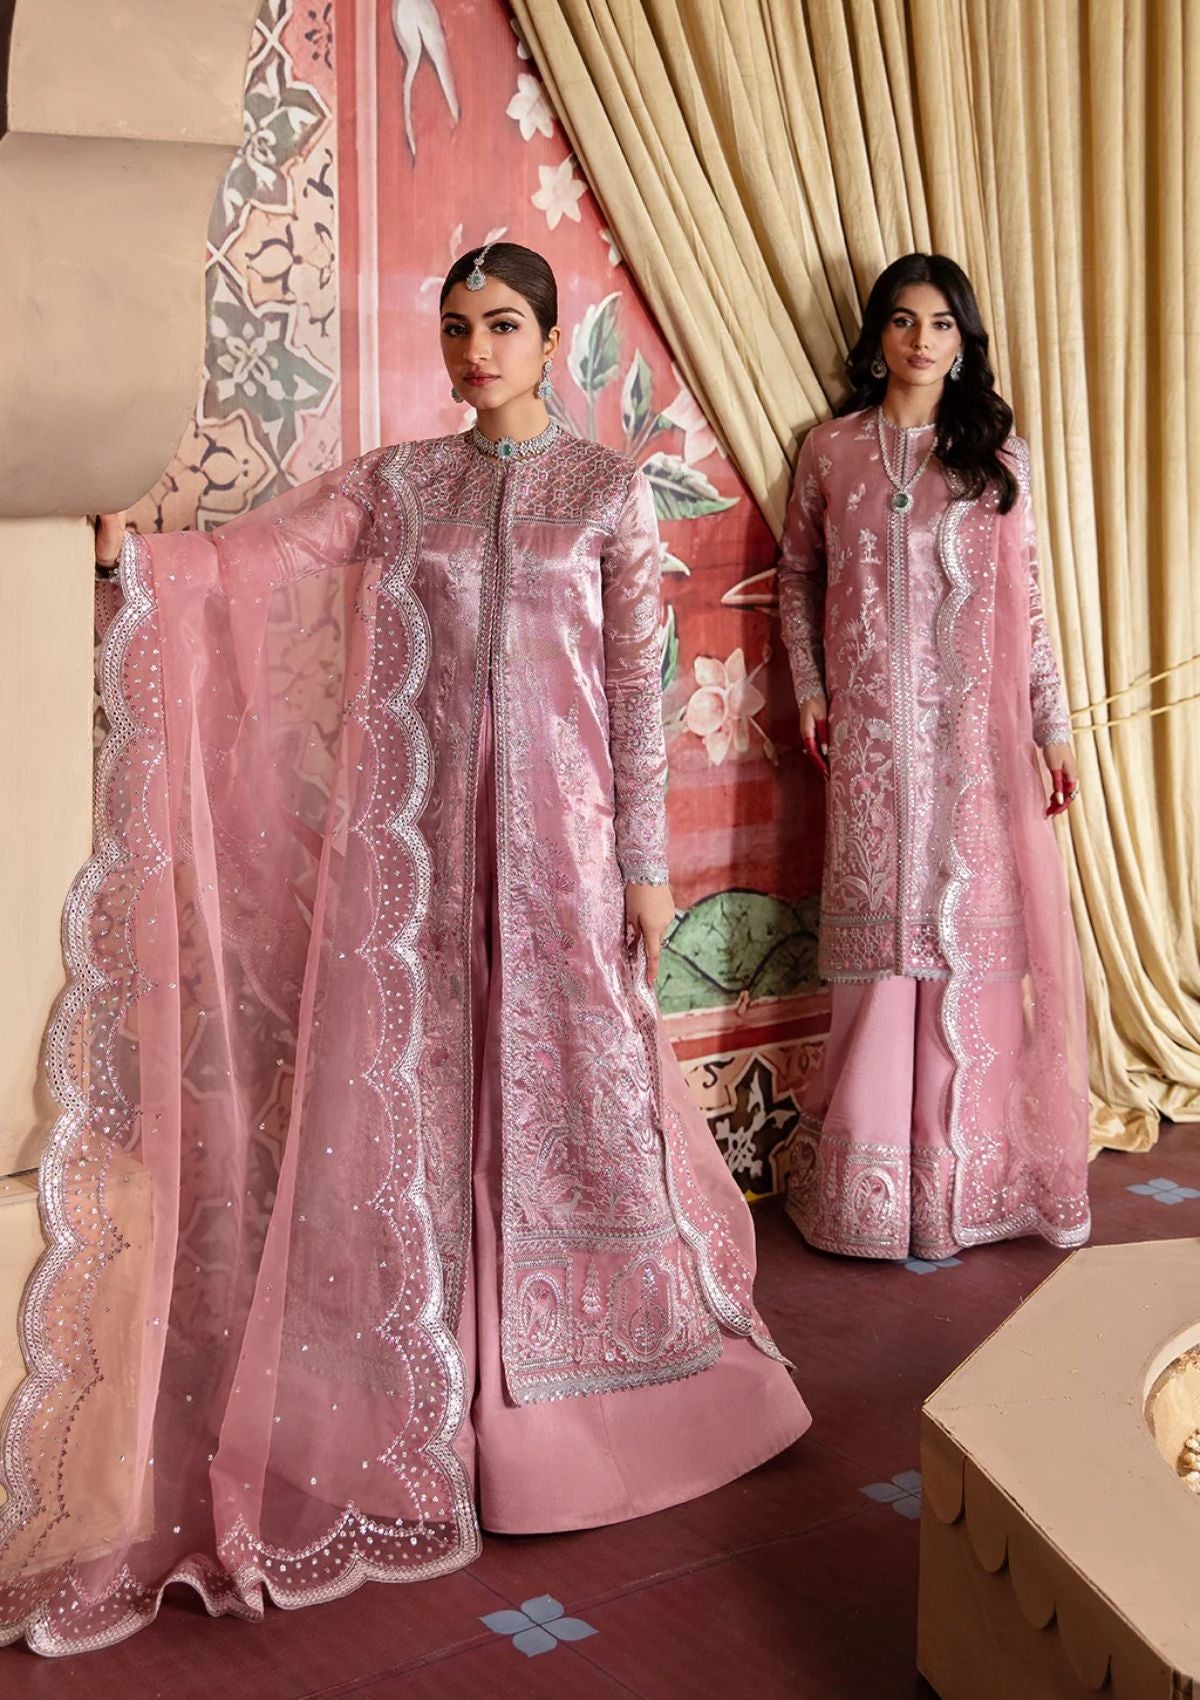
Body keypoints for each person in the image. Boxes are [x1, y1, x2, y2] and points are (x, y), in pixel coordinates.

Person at [0, 242, 808, 1655]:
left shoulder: (603, 492)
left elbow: (636, 694)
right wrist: (145, 559)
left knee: (572, 1100)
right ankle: (435, 1387)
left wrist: (645, 870)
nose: (475, 350)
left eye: (501, 325)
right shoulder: (400, 486)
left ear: (547, 340)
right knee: (429, 1095)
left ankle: (595, 1383)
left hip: (562, 858)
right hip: (424, 855)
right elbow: (261, 557)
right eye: (456, 327)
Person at [778, 253, 1090, 1263]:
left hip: (973, 746)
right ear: (878, 336)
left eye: (942, 324)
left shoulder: (998, 458)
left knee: (968, 950)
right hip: (871, 745)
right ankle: (873, 1192)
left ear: (964, 342)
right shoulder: (832, 451)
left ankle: (971, 1185)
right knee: (881, 948)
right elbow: (798, 577)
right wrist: (812, 688)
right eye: (905, 320)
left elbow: (1027, 608)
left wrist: (1051, 728)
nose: (922, 340)